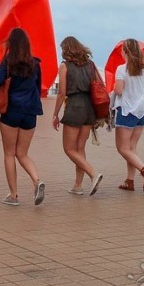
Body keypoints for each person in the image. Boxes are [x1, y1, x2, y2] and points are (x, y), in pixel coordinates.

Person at [0, 27, 45, 206]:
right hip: (30, 113)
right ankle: (37, 181)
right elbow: (38, 88)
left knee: (9, 153)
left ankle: (14, 195)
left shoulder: (8, 62)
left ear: (11, 44)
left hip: (11, 111)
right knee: (22, 153)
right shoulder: (35, 64)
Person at [51, 36, 103, 196]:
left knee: (69, 149)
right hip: (89, 108)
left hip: (74, 106)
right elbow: (99, 85)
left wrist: (55, 114)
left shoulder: (65, 66)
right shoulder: (91, 64)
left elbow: (61, 93)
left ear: (67, 49)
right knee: (80, 148)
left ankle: (93, 174)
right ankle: (78, 185)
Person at [113, 39, 144, 193]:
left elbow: (118, 90)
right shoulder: (143, 69)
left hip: (127, 111)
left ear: (125, 52)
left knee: (122, 148)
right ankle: (129, 181)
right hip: (142, 111)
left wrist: (113, 87)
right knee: (132, 147)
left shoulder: (121, 69)